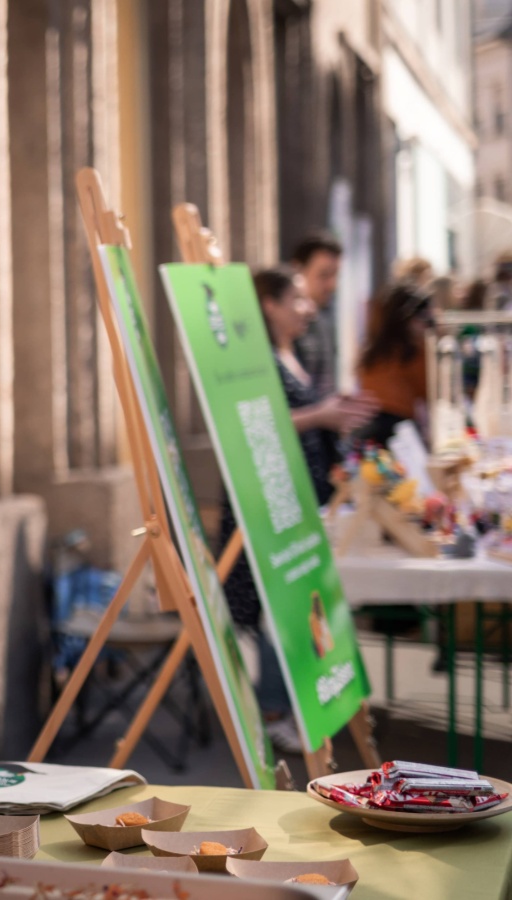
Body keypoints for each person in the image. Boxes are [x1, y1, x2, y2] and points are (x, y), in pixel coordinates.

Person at [216, 268, 375, 753]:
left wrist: (332, 408)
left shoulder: (296, 351)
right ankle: (273, 712)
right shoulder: (255, 358)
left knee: (290, 601)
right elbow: (251, 422)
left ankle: (288, 706)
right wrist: (323, 414)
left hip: (293, 499)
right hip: (263, 500)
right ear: (269, 304)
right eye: (297, 299)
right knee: (269, 603)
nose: (308, 308)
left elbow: (295, 411)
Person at [354, 282, 435, 447]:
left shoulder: (371, 350)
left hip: (366, 428)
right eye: (424, 319)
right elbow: (430, 393)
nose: (426, 326)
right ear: (409, 320)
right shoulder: (412, 351)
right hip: (399, 430)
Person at [290, 232, 345, 400]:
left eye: (335, 275)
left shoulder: (324, 316)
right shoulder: (284, 323)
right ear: (298, 270)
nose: (332, 285)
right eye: (324, 275)